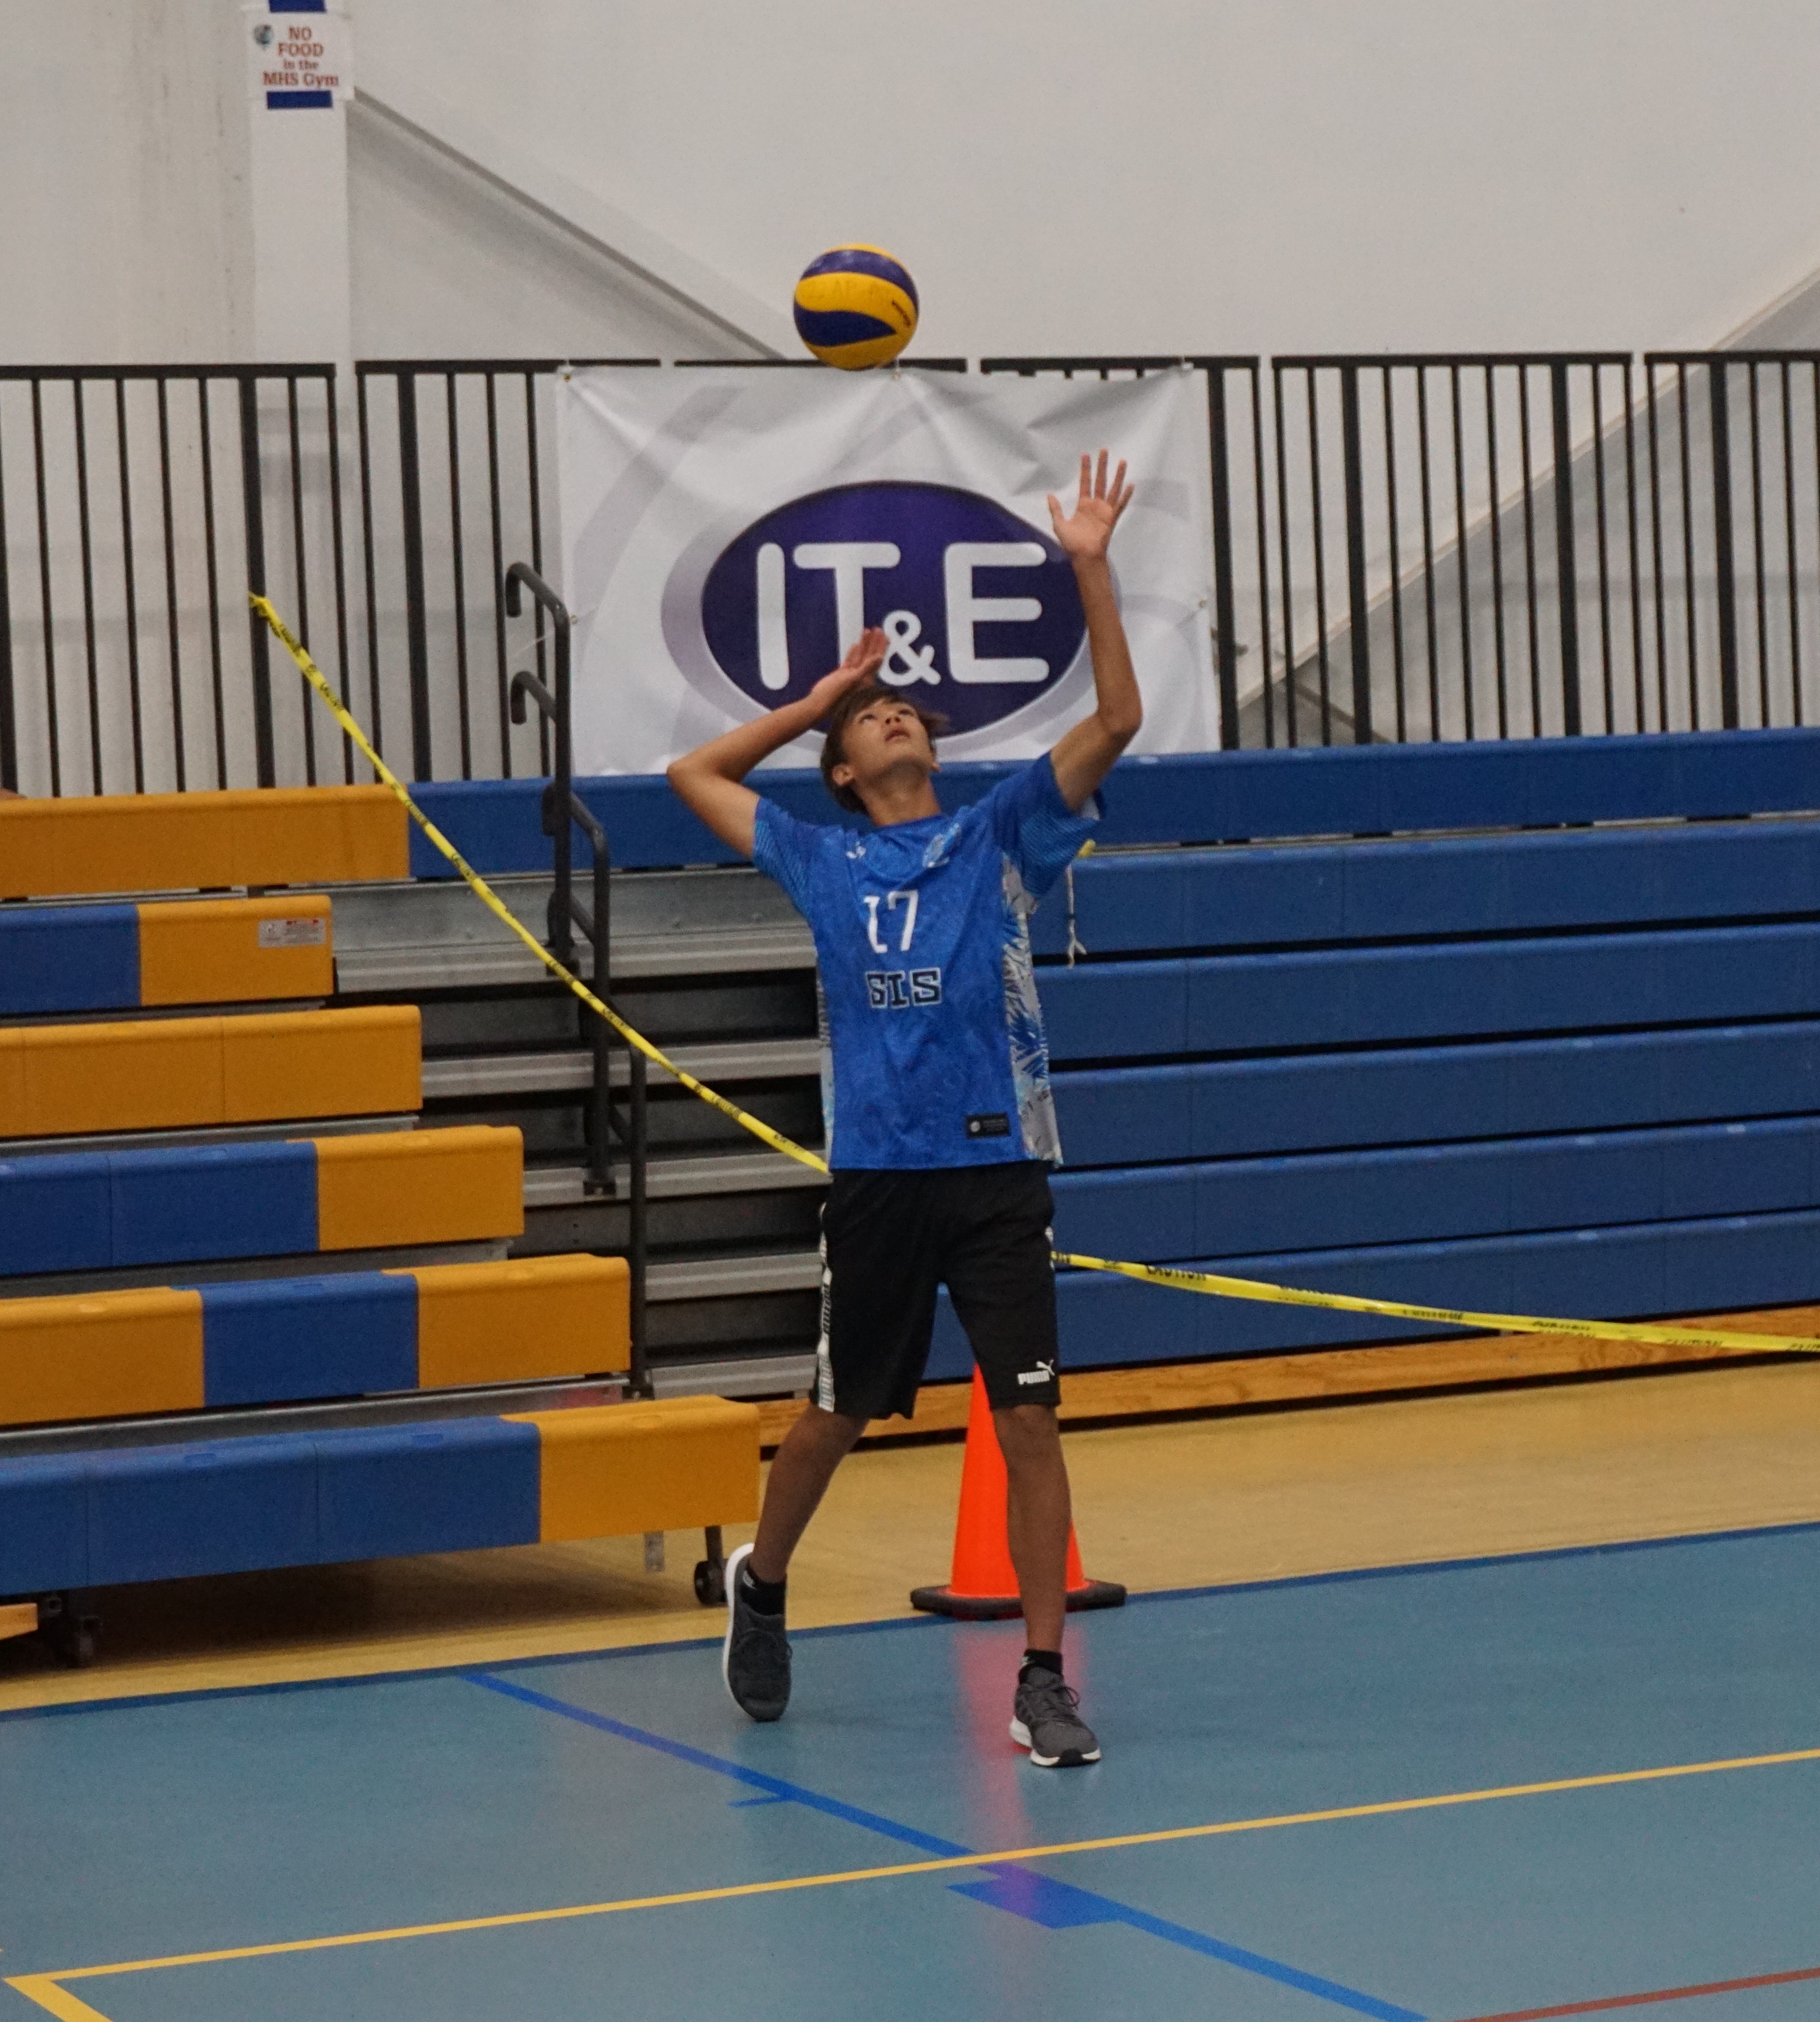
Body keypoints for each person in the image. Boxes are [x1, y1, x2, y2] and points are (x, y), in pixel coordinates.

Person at [666, 451, 1139, 1768]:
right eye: (868, 718)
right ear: (840, 766)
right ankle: (764, 1581)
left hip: (994, 1170)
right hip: (876, 1170)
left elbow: (1115, 718)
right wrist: (812, 695)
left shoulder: (998, 834)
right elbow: (692, 776)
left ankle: (1041, 1675)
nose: (894, 715)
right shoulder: (823, 857)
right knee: (837, 1412)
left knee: (1029, 1415)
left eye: (901, 707)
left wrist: (1090, 569)